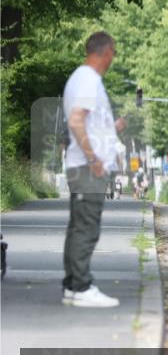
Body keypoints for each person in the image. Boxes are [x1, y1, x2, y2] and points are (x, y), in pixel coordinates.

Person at [61, 31, 124, 308]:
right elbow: (76, 121)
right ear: (106, 51)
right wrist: (93, 159)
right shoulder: (88, 79)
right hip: (87, 169)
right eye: (113, 53)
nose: (113, 59)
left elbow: (86, 121)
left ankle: (73, 287)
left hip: (82, 166)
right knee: (87, 228)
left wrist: (111, 129)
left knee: (78, 227)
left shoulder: (80, 78)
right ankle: (82, 286)